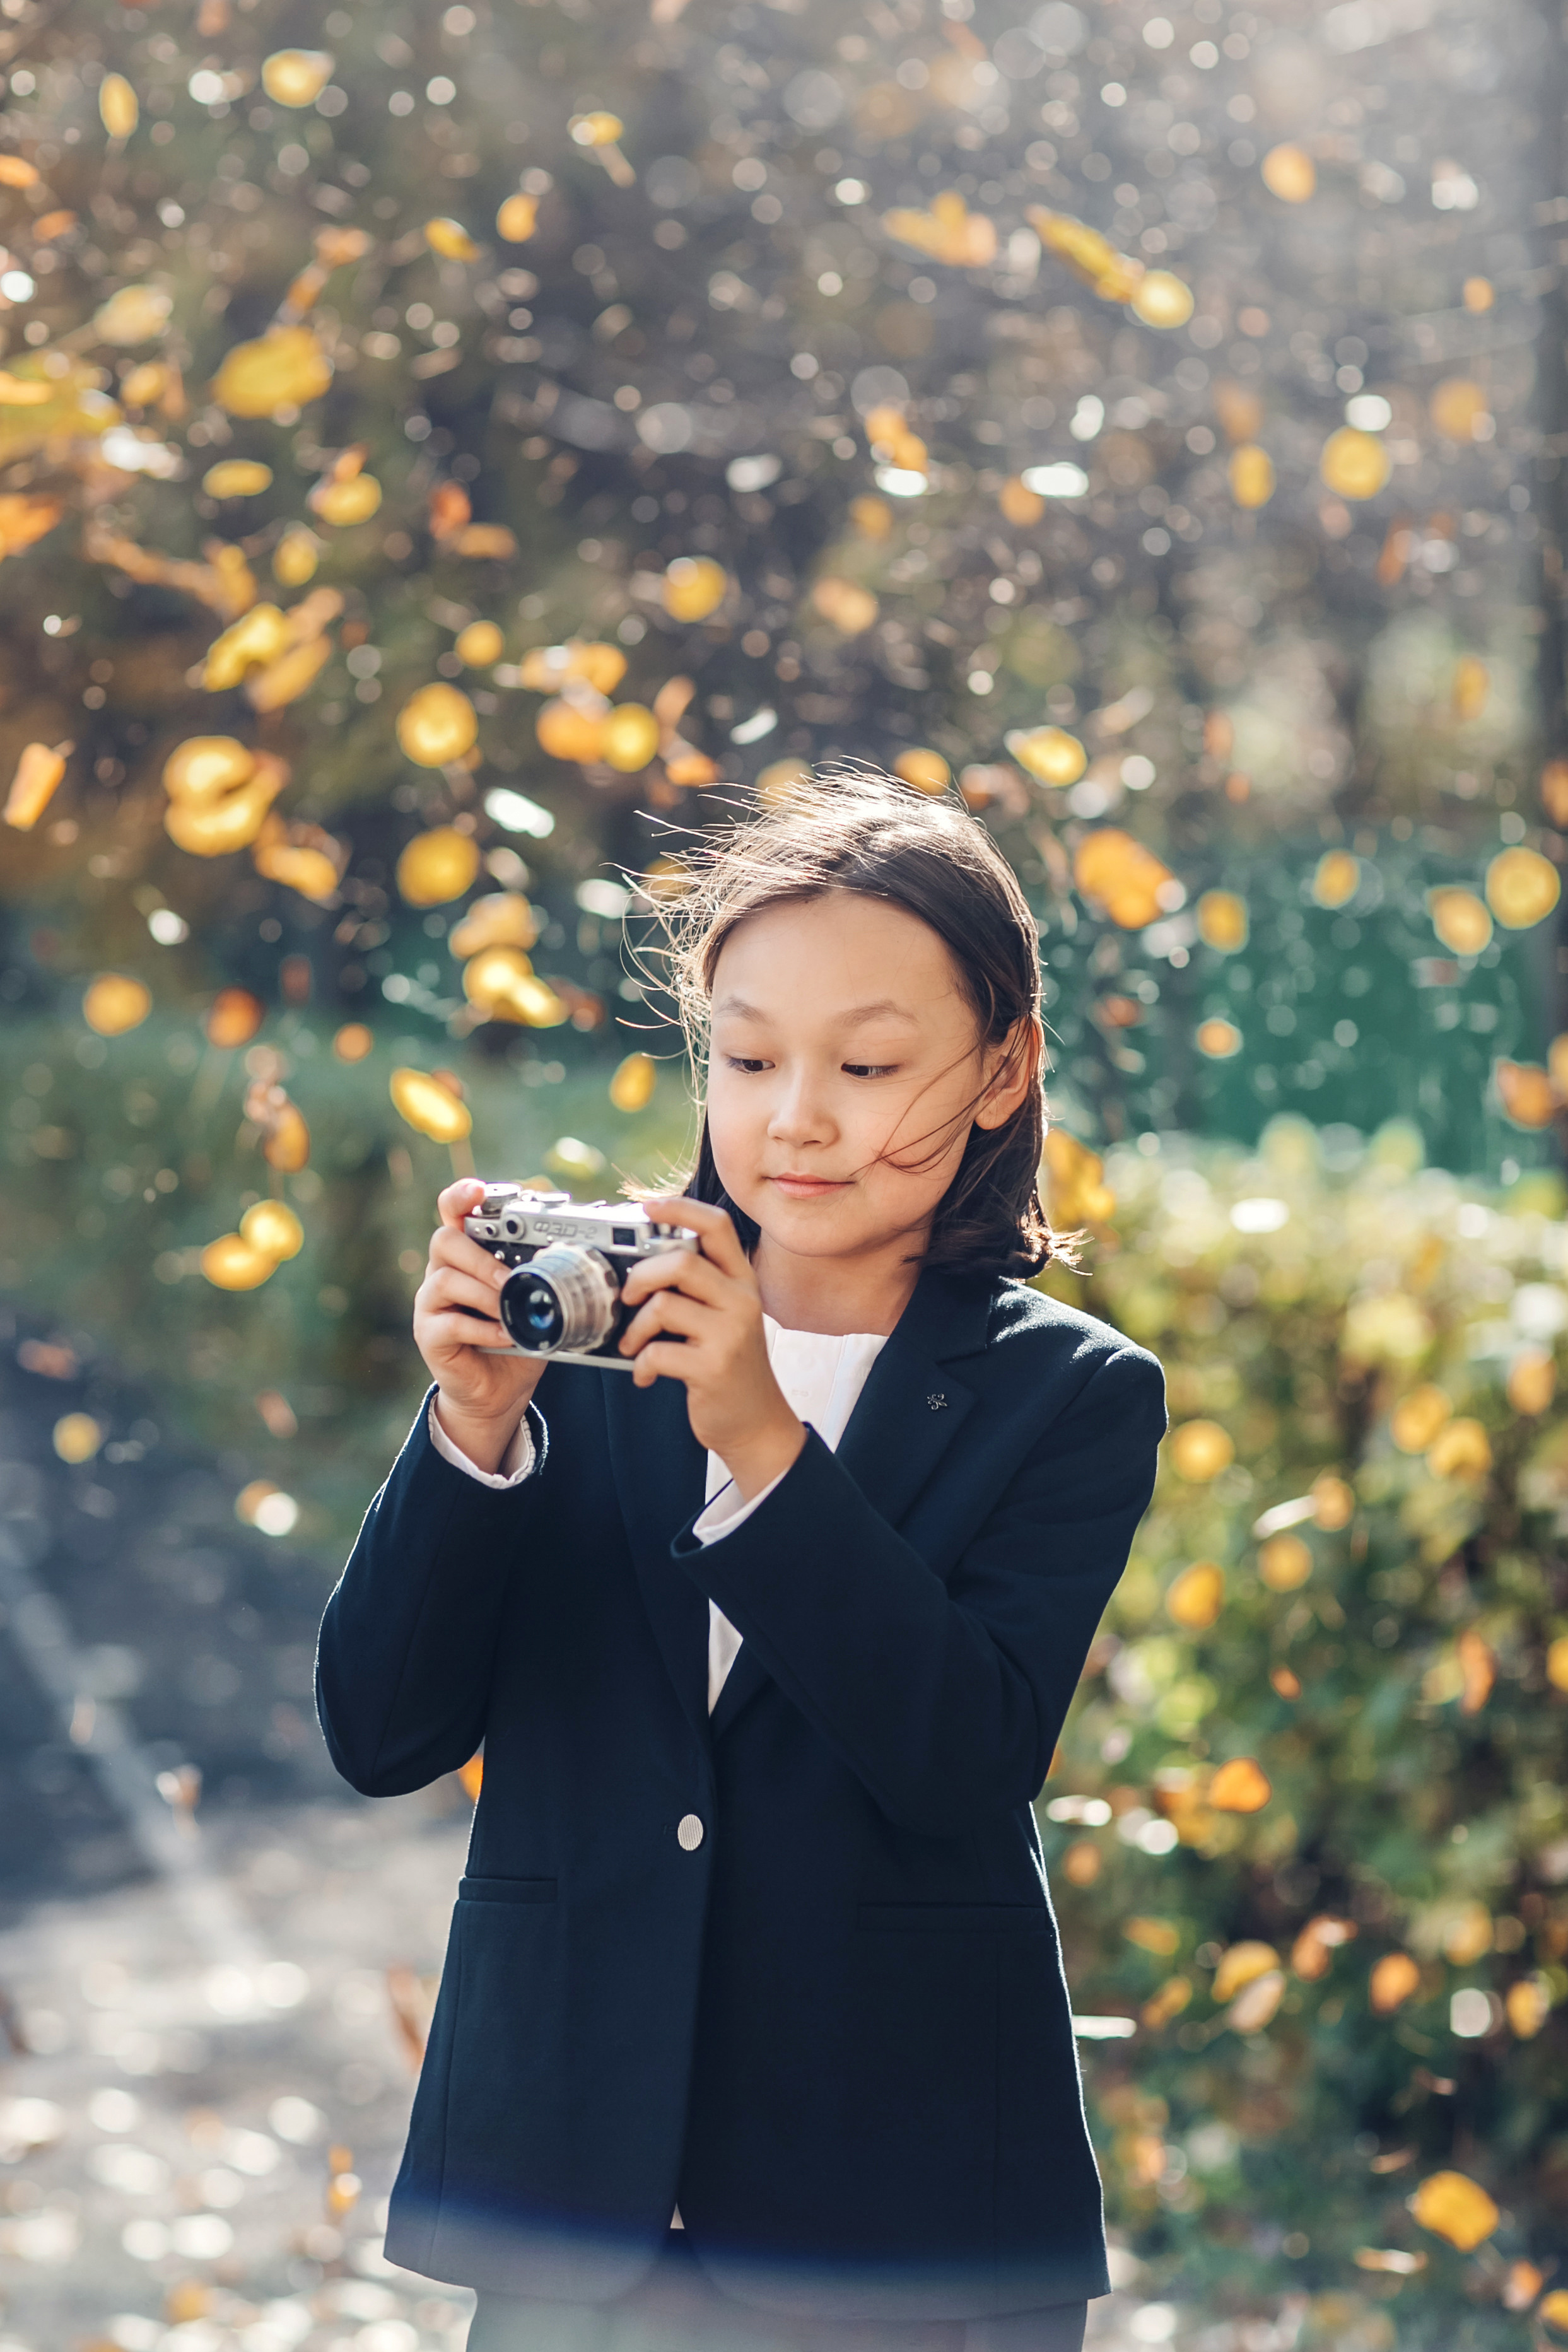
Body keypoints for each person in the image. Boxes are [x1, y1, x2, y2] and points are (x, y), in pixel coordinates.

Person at [316, 765, 1167, 2352]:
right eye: (751, 1054)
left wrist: (763, 1445)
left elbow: (960, 1755)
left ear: (1002, 1068)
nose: (797, 1115)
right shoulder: (588, 1323)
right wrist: (474, 1434)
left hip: (903, 2211)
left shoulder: (1070, 1395)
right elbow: (381, 1732)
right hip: (574, 2206)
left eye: (866, 1061)